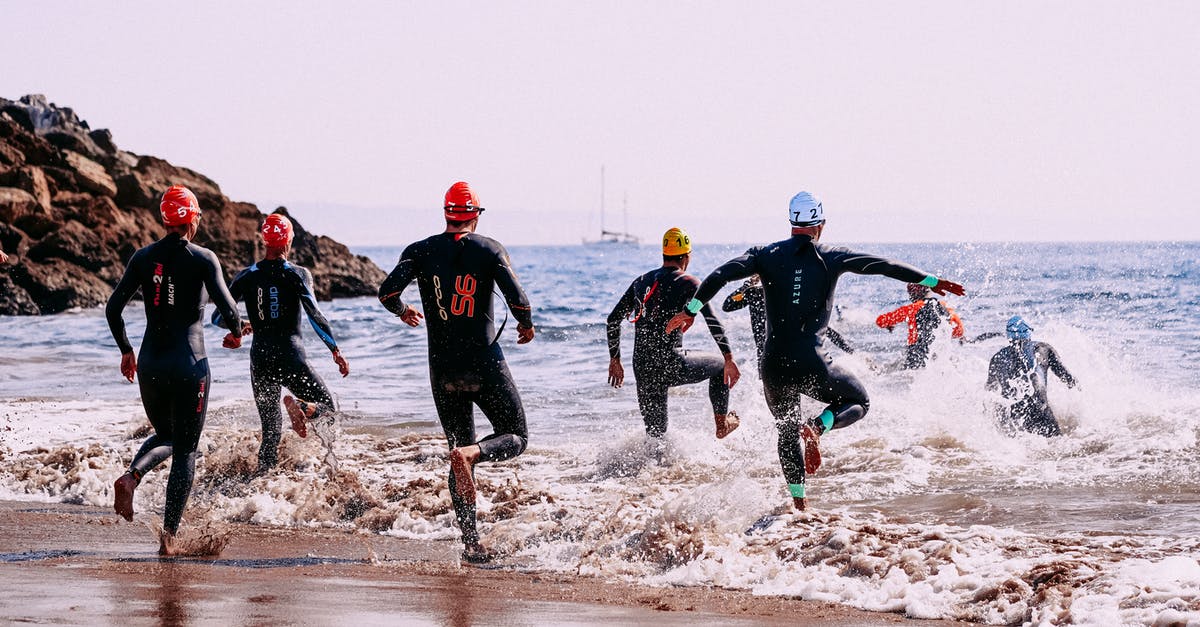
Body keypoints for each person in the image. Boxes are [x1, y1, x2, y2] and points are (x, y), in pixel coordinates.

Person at [666, 191, 964, 511]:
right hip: (812, 361)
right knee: (859, 400)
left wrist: (692, 309)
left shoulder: (763, 255)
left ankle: (799, 504)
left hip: (774, 365)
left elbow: (721, 274)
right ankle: (819, 426)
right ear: (820, 225)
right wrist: (931, 279)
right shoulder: (832, 256)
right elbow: (882, 265)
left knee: (785, 432)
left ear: (793, 223)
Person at [378, 181, 535, 563]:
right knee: (516, 435)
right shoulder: (490, 249)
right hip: (483, 362)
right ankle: (473, 454)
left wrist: (403, 311)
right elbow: (519, 300)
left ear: (447, 214)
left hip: (442, 367)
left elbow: (386, 293)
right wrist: (525, 326)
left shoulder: (419, 251)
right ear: (475, 216)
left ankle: (471, 542)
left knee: (456, 443)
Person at [105, 185, 243, 555]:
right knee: (185, 449)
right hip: (189, 365)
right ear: (193, 218)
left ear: (165, 219)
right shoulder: (203, 258)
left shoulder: (142, 257)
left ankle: (132, 476)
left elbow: (113, 309)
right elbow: (229, 310)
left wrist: (126, 350)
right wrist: (236, 333)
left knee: (166, 433)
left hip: (150, 362)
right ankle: (168, 539)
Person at [213, 213, 350, 474]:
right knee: (328, 409)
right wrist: (335, 350)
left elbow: (219, 316)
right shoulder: (297, 274)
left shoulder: (247, 276)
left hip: (260, 360)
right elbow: (315, 315)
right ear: (288, 241)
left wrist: (240, 329)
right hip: (291, 357)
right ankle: (300, 407)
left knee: (271, 430)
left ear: (264, 241)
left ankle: (263, 483)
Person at [606, 227, 741, 439]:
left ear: (664, 254)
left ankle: (652, 471)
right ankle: (721, 425)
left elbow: (613, 320)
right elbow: (712, 319)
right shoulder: (689, 282)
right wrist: (729, 357)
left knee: (656, 437)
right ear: (687, 256)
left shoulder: (641, 281)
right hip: (671, 363)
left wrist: (615, 360)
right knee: (721, 368)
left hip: (642, 366)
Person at [723, 275, 856, 362]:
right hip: (780, 359)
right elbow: (728, 305)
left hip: (773, 360)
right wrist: (747, 286)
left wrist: (746, 285)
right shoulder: (755, 293)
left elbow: (727, 305)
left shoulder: (775, 292)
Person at [986, 316, 1078, 437]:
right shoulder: (1043, 349)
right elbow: (1068, 380)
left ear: (1008, 336)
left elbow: (989, 393)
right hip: (1040, 411)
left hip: (1014, 418)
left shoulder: (996, 358)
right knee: (1057, 449)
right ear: (1029, 332)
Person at [875, 282, 965, 369]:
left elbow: (880, 321)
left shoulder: (912, 309)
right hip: (939, 356)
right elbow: (959, 331)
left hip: (916, 358)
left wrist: (889, 324)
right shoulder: (945, 307)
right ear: (928, 290)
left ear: (912, 294)